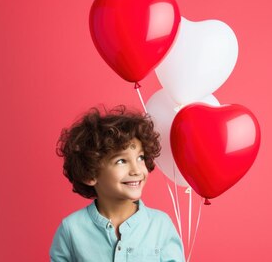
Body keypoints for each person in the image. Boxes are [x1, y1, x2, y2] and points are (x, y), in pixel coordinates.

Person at [50, 105, 184, 262]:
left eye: (140, 158)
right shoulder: (71, 230)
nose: (136, 170)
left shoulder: (161, 225)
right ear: (90, 173)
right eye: (121, 161)